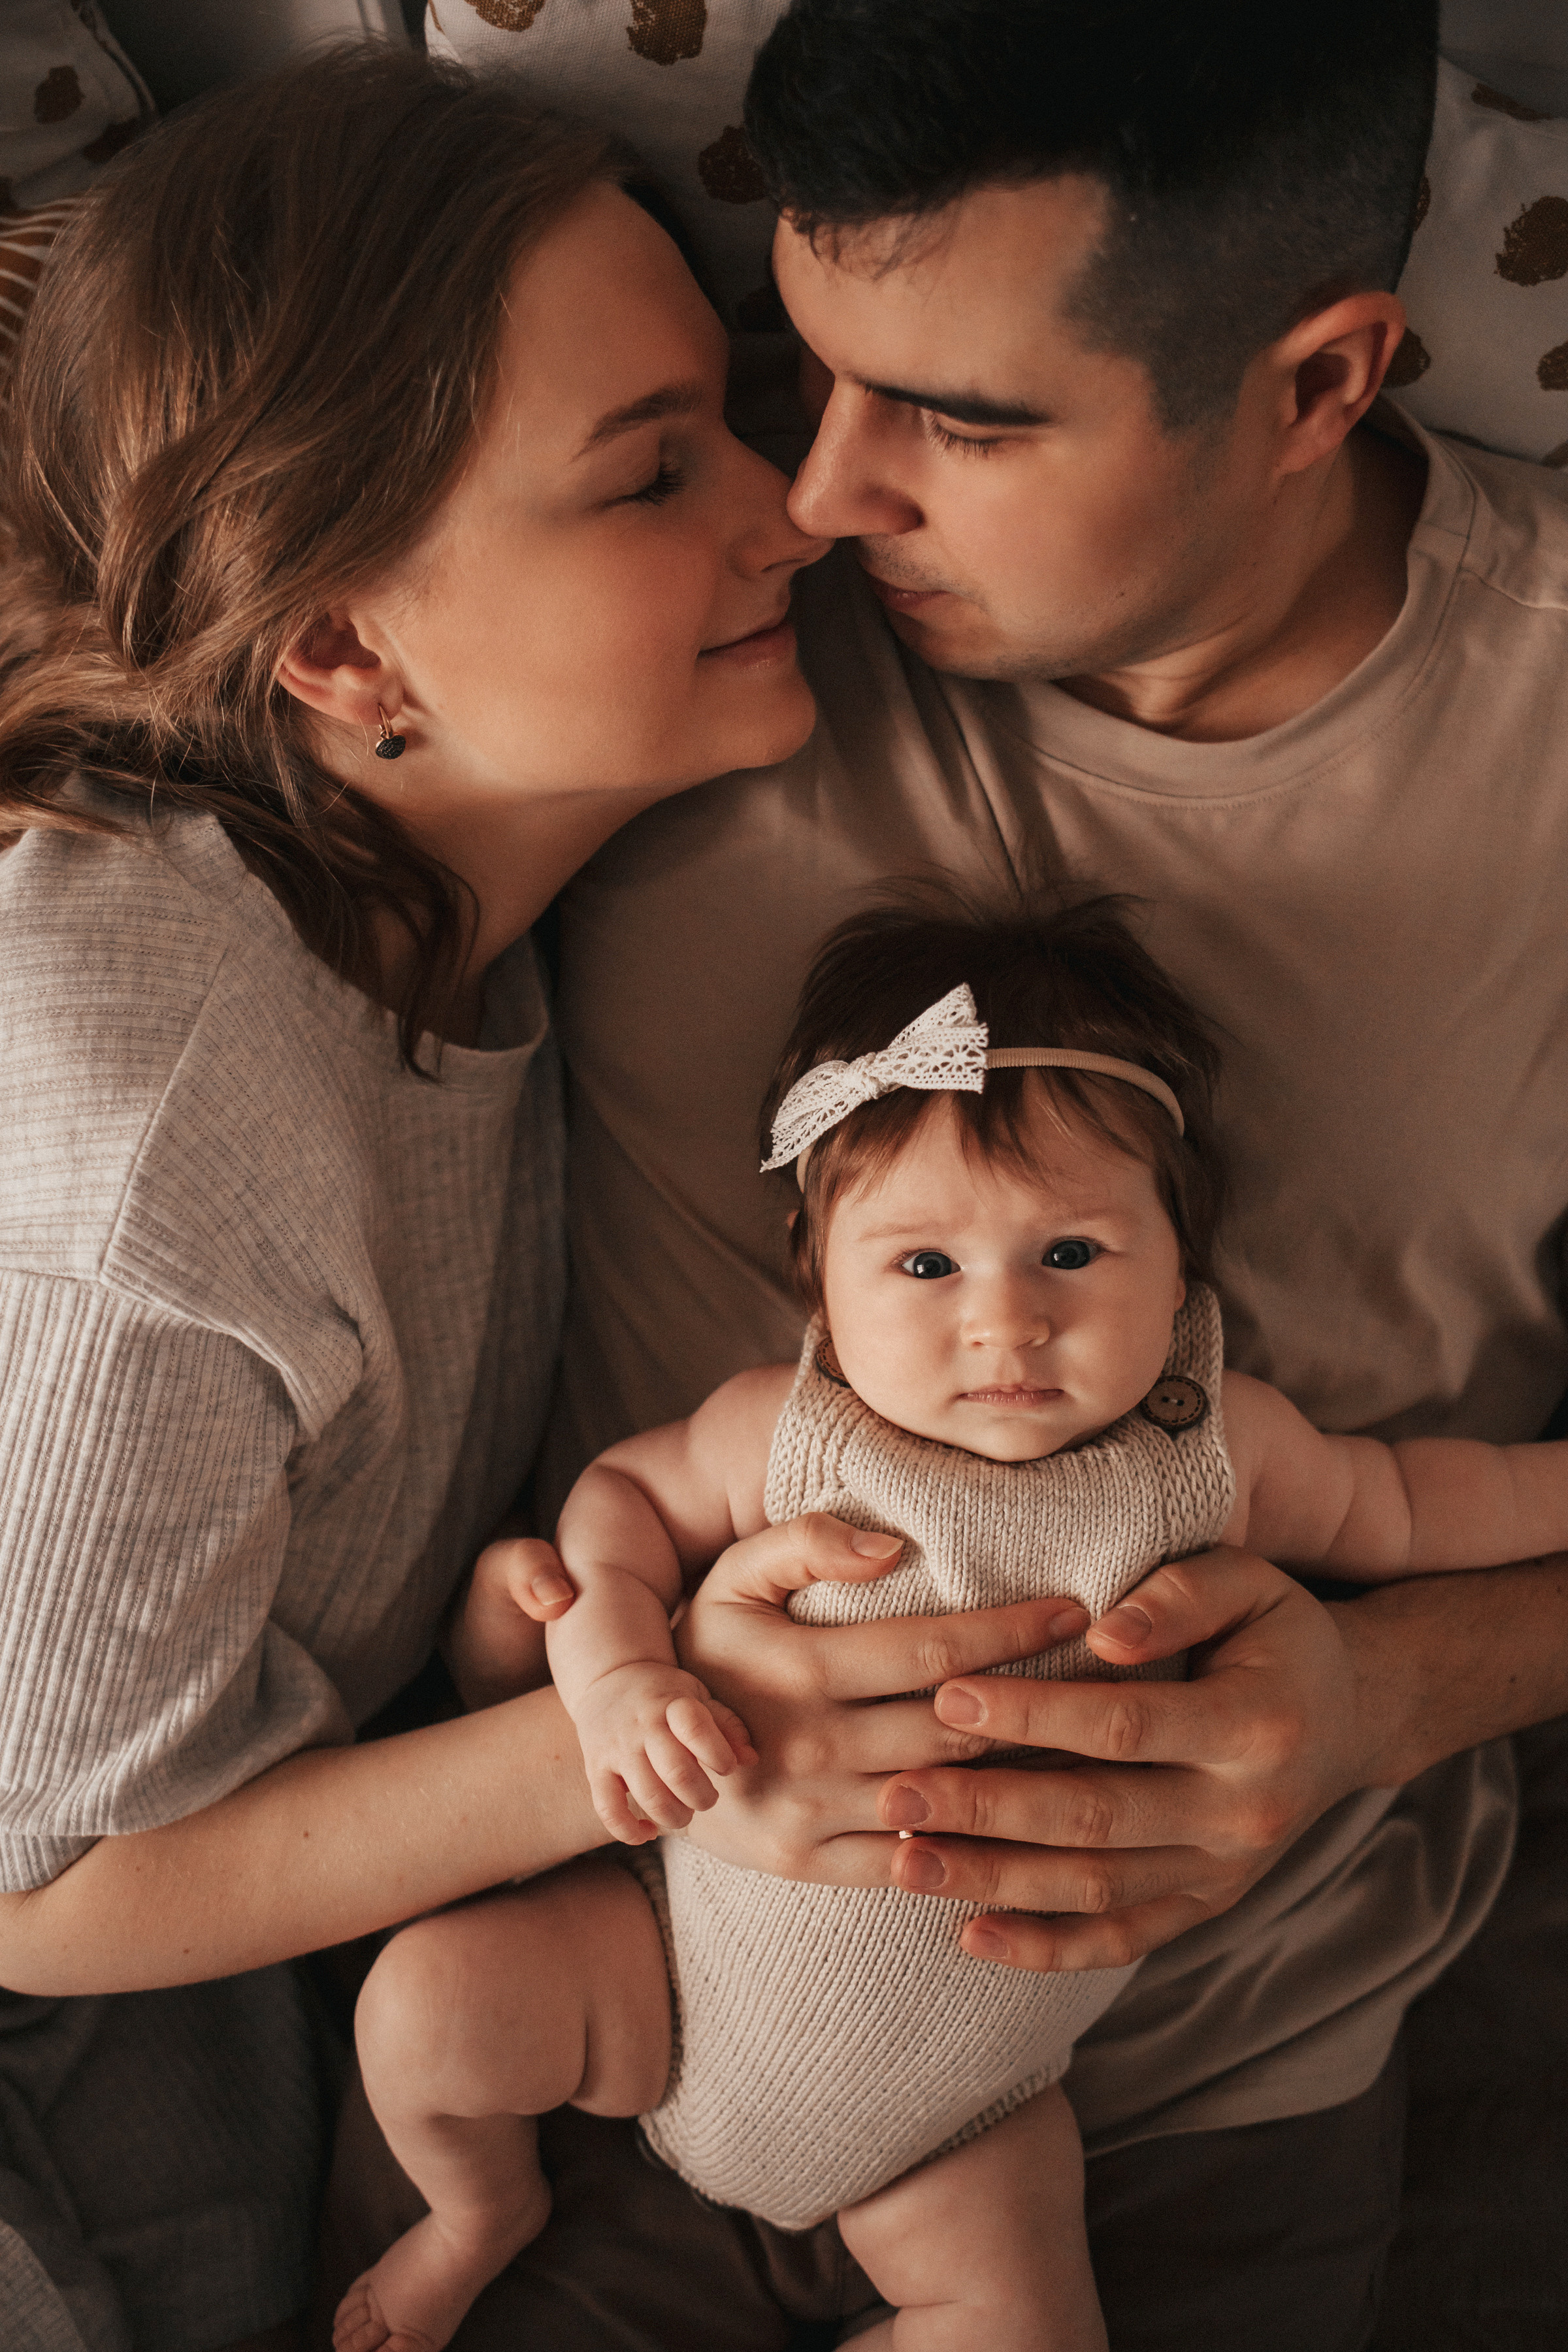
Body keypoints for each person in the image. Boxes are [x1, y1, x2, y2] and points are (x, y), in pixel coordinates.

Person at [470, 1, 1568, 2344]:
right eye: (817, 374)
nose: (824, 492)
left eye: (963, 422)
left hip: (1201, 2108)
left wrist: (1391, 1697)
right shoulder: (672, 601)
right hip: (616, 2011)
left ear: (1315, 384)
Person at [0, 41, 842, 2352]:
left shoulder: (449, 923)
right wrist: (650, 1723)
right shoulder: (157, 1078)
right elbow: (47, 1881)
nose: (795, 508)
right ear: (347, 648)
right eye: (652, 472)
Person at [344, 893, 1568, 2352]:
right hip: (666, 1976)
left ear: (1182, 1269)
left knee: (1028, 2325)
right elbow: (616, 1505)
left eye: (1071, 1256)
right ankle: (479, 2211)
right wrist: (614, 1675)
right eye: (925, 1267)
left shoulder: (1214, 1452)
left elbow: (1424, 1505)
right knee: (425, 2006)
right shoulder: (788, 1435)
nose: (1004, 1323)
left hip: (966, 2108)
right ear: (819, 1278)